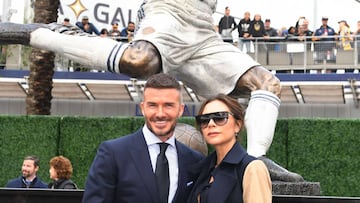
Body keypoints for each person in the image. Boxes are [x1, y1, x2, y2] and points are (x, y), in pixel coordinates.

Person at [0, 0, 303, 182]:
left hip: (203, 28)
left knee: (267, 83)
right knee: (139, 60)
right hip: (168, 11)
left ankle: (255, 160)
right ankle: (44, 33)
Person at [82, 73, 204, 203]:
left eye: (168, 105)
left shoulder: (194, 159)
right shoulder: (113, 154)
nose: (160, 114)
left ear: (180, 110)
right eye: (153, 105)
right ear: (143, 108)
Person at [187, 94, 272, 203]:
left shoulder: (252, 168)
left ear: (238, 125)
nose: (211, 124)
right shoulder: (204, 168)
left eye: (220, 117)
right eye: (204, 120)